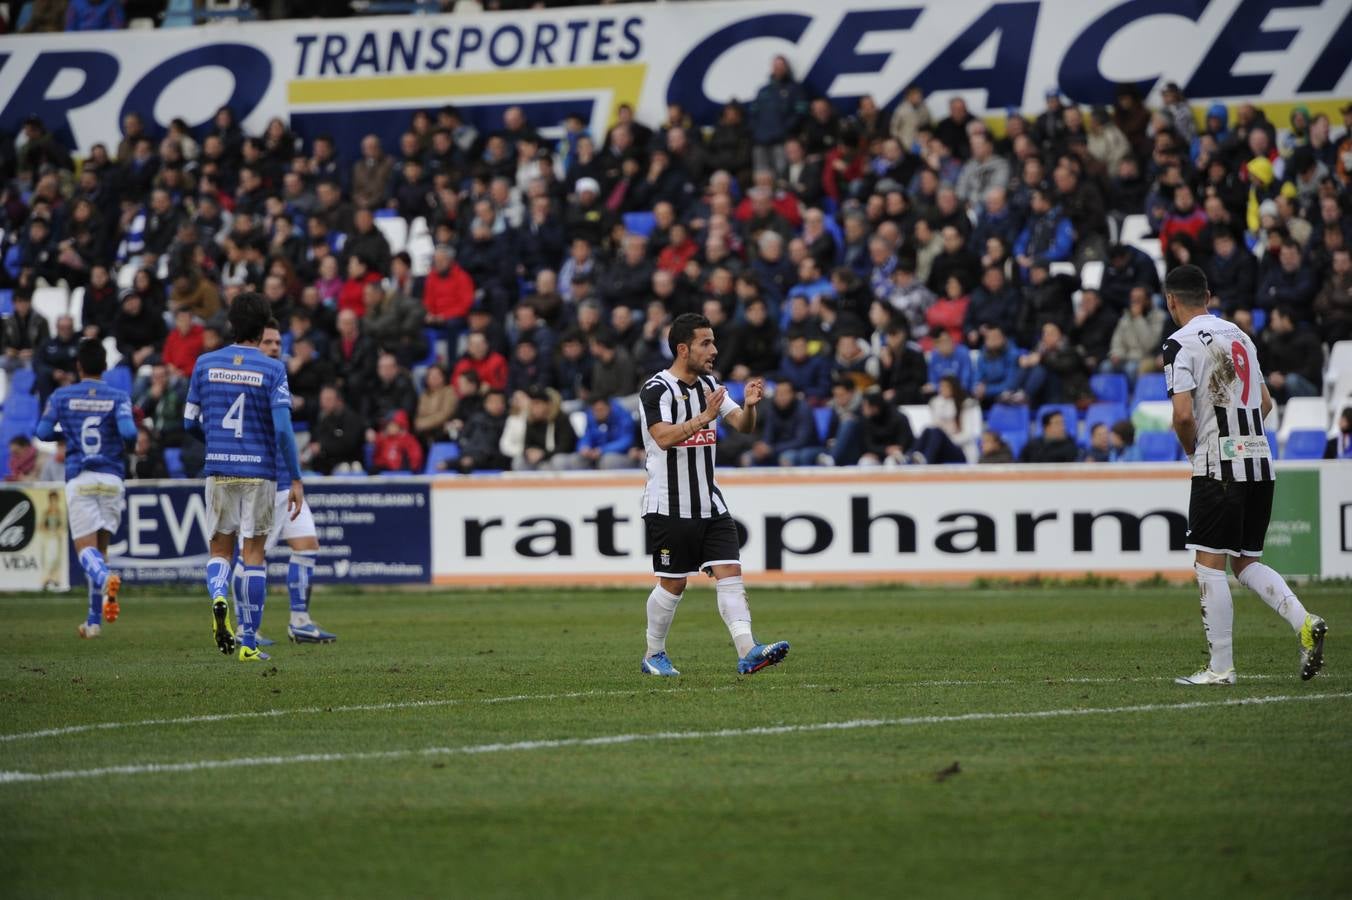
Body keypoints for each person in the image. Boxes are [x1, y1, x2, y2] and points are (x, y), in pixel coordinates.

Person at [1161, 265, 1325, 685]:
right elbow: (1266, 402)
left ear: (1171, 301)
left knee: (1210, 565)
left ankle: (1220, 669)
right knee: (1246, 562)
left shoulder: (1178, 344)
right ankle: (1305, 622)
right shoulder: (1241, 336)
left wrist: (1193, 449)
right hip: (1259, 459)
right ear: (1209, 296)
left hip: (1219, 466)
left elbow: (1182, 415)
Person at [636, 313, 789, 676]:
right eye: (706, 343)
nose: (714, 350)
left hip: (709, 500)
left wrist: (750, 406)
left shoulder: (709, 382)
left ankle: (748, 650)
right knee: (673, 583)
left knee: (730, 572)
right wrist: (704, 417)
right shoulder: (656, 389)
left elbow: (742, 426)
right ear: (683, 348)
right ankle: (653, 654)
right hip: (668, 503)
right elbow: (663, 437)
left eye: (714, 341)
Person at [184, 292, 304, 662]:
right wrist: (296, 478)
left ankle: (219, 594)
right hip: (260, 471)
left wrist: (216, 443)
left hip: (219, 468)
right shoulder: (272, 369)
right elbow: (283, 430)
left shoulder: (204, 363)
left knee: (220, 550)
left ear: (232, 325)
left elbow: (189, 422)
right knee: (253, 555)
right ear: (262, 326)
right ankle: (249, 641)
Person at [34, 339, 138, 638]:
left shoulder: (62, 395)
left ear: (78, 366)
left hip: (81, 477)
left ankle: (105, 580)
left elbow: (41, 432)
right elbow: (130, 433)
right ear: (104, 366)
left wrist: (64, 432)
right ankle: (93, 622)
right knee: (100, 551)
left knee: (85, 552)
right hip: (111, 478)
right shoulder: (118, 396)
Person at [246, 323, 337, 644]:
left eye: (277, 342)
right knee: (253, 557)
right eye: (267, 342)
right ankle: (247, 628)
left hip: (284, 481)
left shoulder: (277, 378)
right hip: (264, 482)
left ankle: (299, 621)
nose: (274, 347)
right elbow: (281, 431)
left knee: (307, 545)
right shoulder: (258, 382)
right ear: (253, 345)